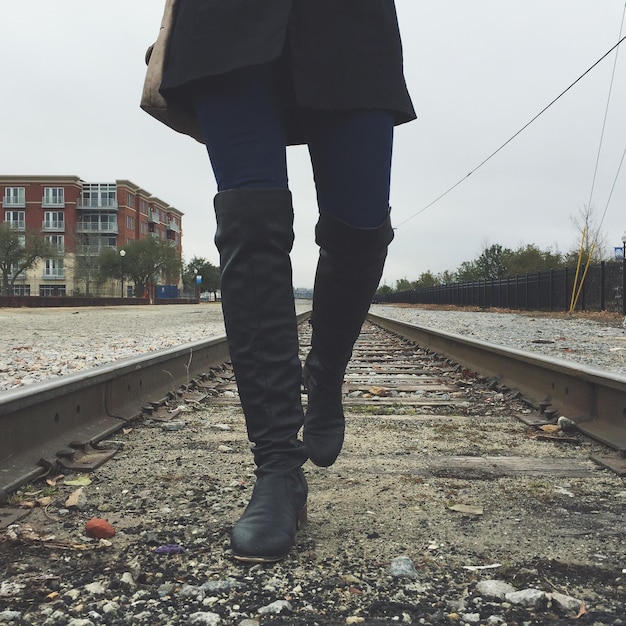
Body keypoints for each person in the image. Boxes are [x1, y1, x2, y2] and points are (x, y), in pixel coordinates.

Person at [157, 0, 415, 563]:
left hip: (349, 19)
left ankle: (324, 370)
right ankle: (277, 468)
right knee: (250, 228)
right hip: (226, 20)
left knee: (362, 225)